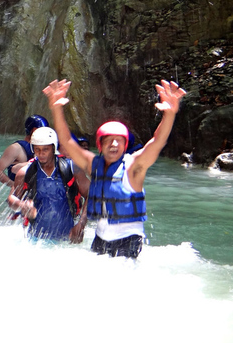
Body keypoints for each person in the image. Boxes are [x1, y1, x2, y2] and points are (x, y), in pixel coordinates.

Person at [43, 78, 187, 257]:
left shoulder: (135, 166)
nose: (113, 144)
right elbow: (66, 141)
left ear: (125, 145)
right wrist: (56, 109)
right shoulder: (93, 165)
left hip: (129, 240)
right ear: (100, 145)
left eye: (118, 141)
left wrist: (170, 114)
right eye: (109, 140)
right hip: (100, 239)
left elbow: (157, 142)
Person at [7, 128, 88, 241]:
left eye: (46, 149)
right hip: (36, 239)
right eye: (37, 149)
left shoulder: (71, 168)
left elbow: (91, 195)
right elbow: (11, 199)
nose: (41, 154)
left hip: (66, 238)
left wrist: (81, 225)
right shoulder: (25, 172)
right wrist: (21, 205)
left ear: (53, 148)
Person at [0, 114, 49, 186]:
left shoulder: (45, 149)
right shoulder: (16, 148)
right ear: (31, 131)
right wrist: (15, 186)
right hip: (20, 194)